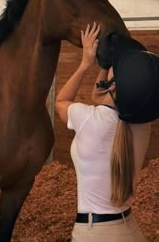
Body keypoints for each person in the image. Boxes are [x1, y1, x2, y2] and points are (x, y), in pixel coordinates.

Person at [55, 22, 152, 242]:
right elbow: (99, 98)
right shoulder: (141, 126)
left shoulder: (87, 118)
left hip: (94, 233)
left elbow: (60, 101)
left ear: (114, 85)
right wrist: (106, 66)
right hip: (130, 231)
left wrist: (85, 63)